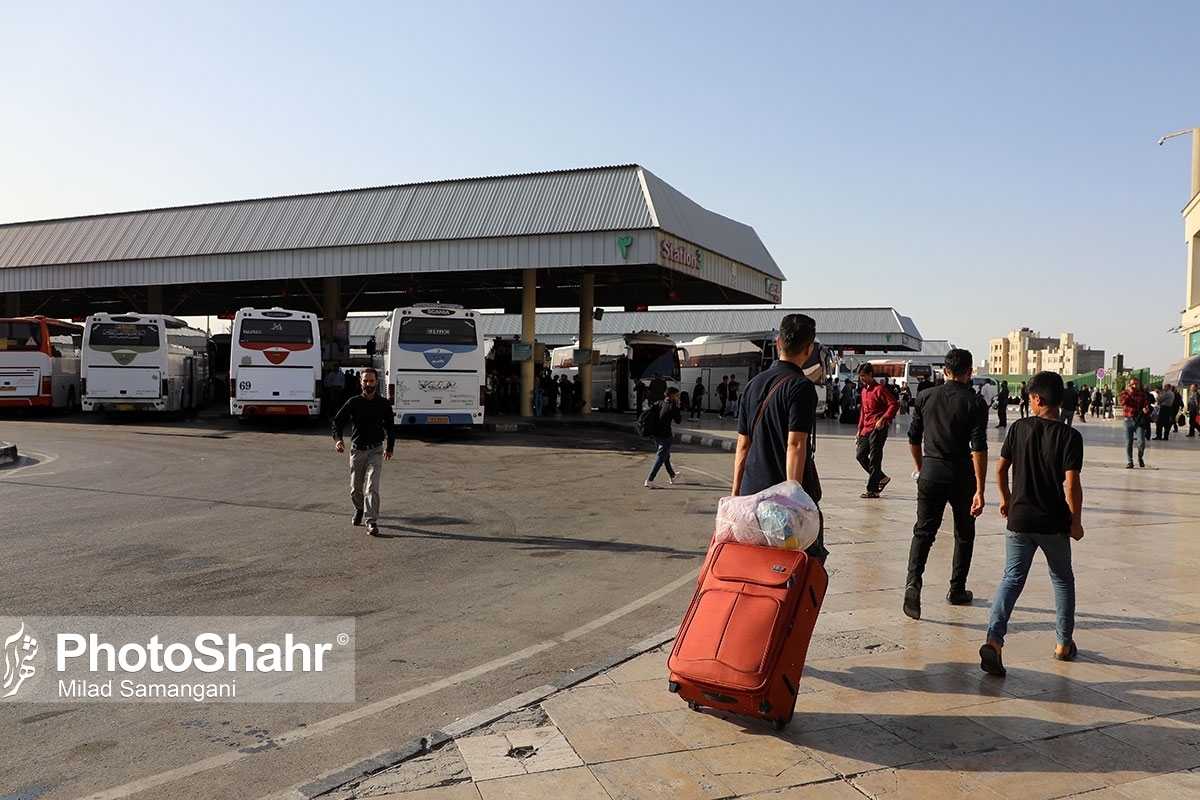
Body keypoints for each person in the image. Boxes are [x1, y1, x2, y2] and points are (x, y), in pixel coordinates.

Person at [979, 371, 1084, 677]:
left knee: (1011, 580)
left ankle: (994, 641)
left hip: (1020, 521)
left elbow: (999, 471)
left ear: (1037, 400)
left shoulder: (1018, 428)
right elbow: (1072, 486)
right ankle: (1063, 644)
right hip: (1053, 524)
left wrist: (1006, 499)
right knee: (1062, 580)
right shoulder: (1070, 436)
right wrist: (1075, 522)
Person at [732, 313, 827, 563]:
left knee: (756, 573)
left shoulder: (752, 385)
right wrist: (793, 502)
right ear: (809, 350)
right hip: (781, 506)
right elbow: (795, 445)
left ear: (778, 343)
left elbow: (743, 445)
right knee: (801, 573)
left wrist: (735, 496)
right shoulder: (801, 387)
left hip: (751, 499)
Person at [903, 348, 989, 619]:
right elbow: (979, 448)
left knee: (923, 532)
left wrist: (920, 466)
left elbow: (913, 438)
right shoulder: (975, 403)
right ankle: (957, 589)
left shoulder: (926, 397)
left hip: (930, 473)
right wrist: (981, 489)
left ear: (944, 370)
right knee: (964, 534)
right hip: (961, 476)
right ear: (969, 372)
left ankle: (913, 582)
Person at [331, 367, 396, 537]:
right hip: (357, 451)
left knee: (372, 486)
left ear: (376, 382)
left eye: (371, 381)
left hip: (375, 450)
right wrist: (338, 439)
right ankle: (359, 509)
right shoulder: (353, 402)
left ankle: (371, 521)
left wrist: (390, 447)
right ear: (360, 382)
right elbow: (337, 423)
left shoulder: (383, 404)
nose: (368, 384)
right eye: (365, 381)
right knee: (355, 489)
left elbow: (390, 426)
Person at [855, 362, 900, 499]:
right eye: (860, 376)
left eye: (863, 376)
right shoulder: (863, 391)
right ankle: (882, 478)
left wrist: (884, 419)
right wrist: (859, 429)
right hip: (866, 428)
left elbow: (894, 404)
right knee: (860, 455)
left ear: (870, 374)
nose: (861, 379)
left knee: (875, 458)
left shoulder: (880, 389)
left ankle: (872, 490)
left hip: (878, 428)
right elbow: (863, 411)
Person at [644, 386, 682, 488]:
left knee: (666, 456)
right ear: (672, 395)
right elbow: (678, 420)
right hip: (666, 436)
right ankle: (650, 480)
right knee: (661, 457)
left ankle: (672, 476)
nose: (678, 397)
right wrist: (677, 407)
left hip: (657, 435)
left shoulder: (659, 403)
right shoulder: (671, 407)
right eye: (677, 395)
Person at [1119, 377, 1151, 468]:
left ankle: (1140, 457)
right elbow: (1123, 402)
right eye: (1132, 384)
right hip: (1127, 420)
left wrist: (1146, 409)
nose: (1134, 386)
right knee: (1128, 442)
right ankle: (1130, 461)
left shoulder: (1142, 395)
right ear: (1129, 384)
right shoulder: (1124, 393)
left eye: (1136, 384)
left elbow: (1146, 405)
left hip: (1139, 420)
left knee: (1141, 442)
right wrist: (1130, 393)